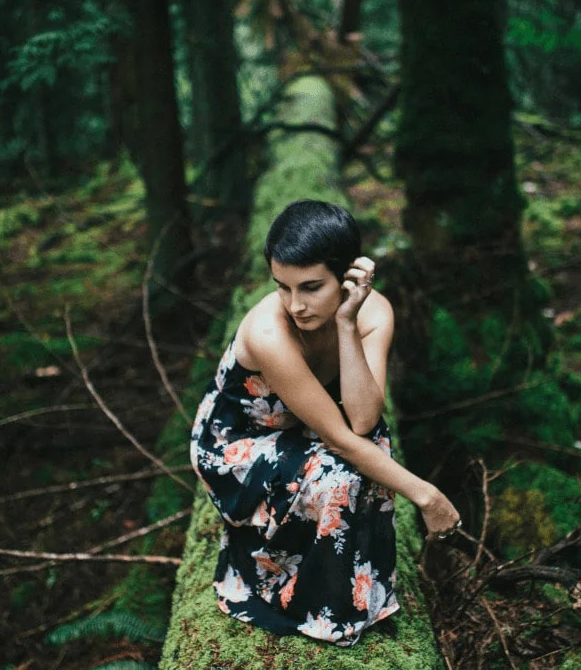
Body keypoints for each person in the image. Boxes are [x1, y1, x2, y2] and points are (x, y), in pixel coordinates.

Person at [190, 199, 460, 646]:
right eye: (282, 287)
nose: (295, 305)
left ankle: (350, 588)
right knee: (342, 472)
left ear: (350, 276)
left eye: (311, 287)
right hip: (236, 445)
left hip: (301, 430)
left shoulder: (374, 314)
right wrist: (427, 497)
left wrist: (347, 324)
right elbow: (340, 439)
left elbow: (362, 418)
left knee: (375, 443)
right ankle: (304, 601)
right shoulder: (269, 334)